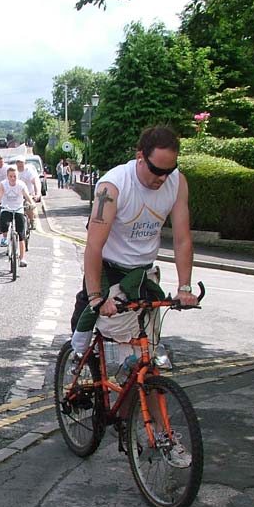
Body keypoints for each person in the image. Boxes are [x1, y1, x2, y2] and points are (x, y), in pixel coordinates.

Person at [70, 125, 197, 359]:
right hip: (108, 269)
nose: (162, 178)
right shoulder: (112, 186)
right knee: (92, 345)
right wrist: (97, 296)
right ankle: (83, 370)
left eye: (169, 170)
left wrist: (184, 288)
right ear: (140, 156)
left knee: (144, 354)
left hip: (142, 274)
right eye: (156, 169)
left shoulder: (178, 183)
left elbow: (182, 239)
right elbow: (94, 246)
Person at [0, 165, 35, 267]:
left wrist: (32, 203)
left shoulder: (21, 185)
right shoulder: (3, 184)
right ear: (7, 176)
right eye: (11, 176)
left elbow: (27, 196)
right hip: (6, 207)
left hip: (18, 209)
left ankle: (22, 258)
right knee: (4, 222)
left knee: (21, 235)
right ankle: (5, 238)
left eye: (15, 176)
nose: (13, 178)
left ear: (17, 176)